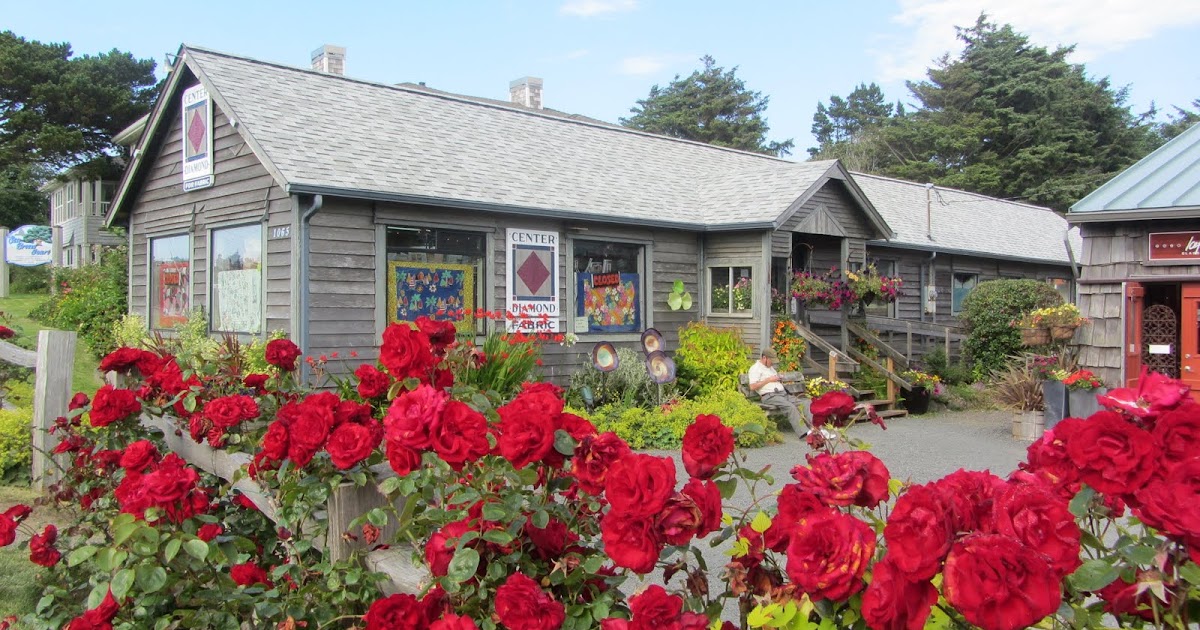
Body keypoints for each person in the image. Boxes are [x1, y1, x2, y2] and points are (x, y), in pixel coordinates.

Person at [748, 348, 809, 438]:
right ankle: (805, 432)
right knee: (790, 407)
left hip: (783, 394)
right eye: (771, 361)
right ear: (764, 358)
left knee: (806, 403)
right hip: (770, 396)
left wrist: (779, 378)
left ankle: (816, 429)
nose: (772, 363)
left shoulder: (770, 368)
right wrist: (769, 380)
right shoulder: (755, 369)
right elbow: (752, 386)